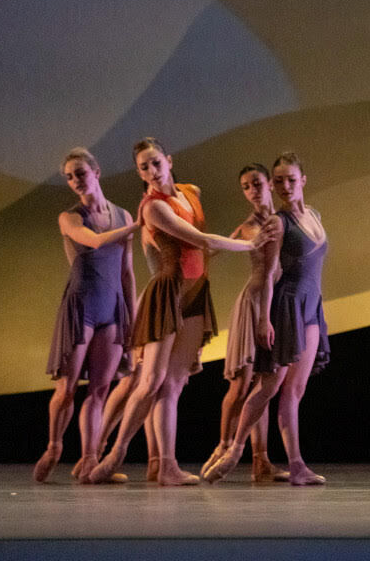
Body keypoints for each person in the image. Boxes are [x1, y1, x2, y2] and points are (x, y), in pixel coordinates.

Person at [88, 138, 270, 485]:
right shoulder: (152, 207)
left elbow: (202, 248)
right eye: (144, 167)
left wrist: (230, 240)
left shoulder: (189, 193)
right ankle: (115, 452)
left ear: (169, 161)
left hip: (196, 292)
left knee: (173, 385)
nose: (152, 172)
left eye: (156, 163)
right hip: (168, 293)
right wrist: (249, 242)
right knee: (149, 381)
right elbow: (201, 240)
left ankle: (166, 465)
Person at [204, 152, 330, 485]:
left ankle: (297, 465)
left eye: (291, 179)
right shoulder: (278, 222)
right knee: (268, 386)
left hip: (311, 307)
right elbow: (272, 271)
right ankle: (235, 450)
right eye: (279, 181)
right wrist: (263, 320)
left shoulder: (315, 215)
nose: (285, 186)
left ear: (303, 180)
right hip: (287, 305)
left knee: (296, 390)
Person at [34, 148, 140, 483]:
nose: (75, 181)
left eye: (80, 173)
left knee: (99, 390)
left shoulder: (121, 216)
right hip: (81, 308)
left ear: (96, 171)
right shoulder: (70, 217)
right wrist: (139, 225)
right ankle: (54, 446)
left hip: (112, 309)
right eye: (68, 177)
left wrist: (133, 321)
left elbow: (127, 273)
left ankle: (91, 459)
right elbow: (93, 242)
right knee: (67, 389)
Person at [200, 163, 289, 483]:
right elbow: (210, 249)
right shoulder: (249, 226)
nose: (252, 190)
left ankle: (261, 461)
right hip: (253, 305)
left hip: (276, 305)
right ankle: (223, 448)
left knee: (264, 386)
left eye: (256, 183)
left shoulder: (282, 221)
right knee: (241, 384)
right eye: (246, 186)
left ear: (269, 184)